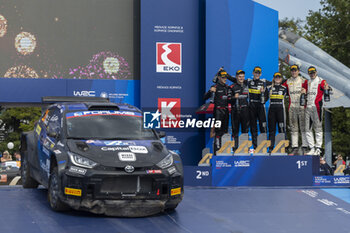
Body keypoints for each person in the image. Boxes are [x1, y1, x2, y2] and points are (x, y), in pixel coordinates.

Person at [303, 66, 330, 155]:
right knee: (307, 128)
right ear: (308, 73)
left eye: (313, 72)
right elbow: (303, 89)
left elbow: (327, 88)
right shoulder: (307, 81)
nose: (312, 74)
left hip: (317, 106)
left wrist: (327, 88)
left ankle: (318, 147)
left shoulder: (321, 81)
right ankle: (312, 147)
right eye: (310, 73)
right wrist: (302, 90)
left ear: (316, 72)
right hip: (308, 106)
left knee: (318, 127)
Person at [283, 64, 308, 155]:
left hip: (301, 107)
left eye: (295, 70)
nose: (294, 72)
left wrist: (306, 92)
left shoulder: (303, 80)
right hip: (292, 107)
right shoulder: (287, 81)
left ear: (298, 71)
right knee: (293, 128)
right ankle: (294, 147)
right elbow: (280, 88)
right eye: (292, 70)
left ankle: (305, 146)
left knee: (303, 127)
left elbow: (311, 90)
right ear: (291, 71)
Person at [204, 70, 230, 155]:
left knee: (225, 131)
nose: (225, 79)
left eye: (225, 77)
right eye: (223, 77)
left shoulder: (227, 87)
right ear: (218, 78)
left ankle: (225, 151)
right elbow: (204, 97)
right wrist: (210, 91)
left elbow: (232, 99)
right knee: (218, 132)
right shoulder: (214, 86)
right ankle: (217, 151)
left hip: (226, 111)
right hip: (218, 111)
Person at [267, 72, 287, 153]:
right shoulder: (269, 88)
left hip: (280, 110)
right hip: (271, 110)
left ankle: (283, 147)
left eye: (279, 77)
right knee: (272, 130)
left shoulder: (284, 88)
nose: (278, 78)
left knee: (281, 129)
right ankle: (271, 148)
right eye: (276, 77)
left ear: (281, 79)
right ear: (274, 78)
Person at [230, 70, 250, 151]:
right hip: (235, 111)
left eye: (242, 76)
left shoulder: (247, 86)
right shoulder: (232, 87)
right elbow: (228, 99)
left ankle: (245, 148)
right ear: (236, 77)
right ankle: (235, 148)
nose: (241, 78)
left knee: (245, 130)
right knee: (235, 130)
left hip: (245, 110)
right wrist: (234, 97)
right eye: (239, 76)